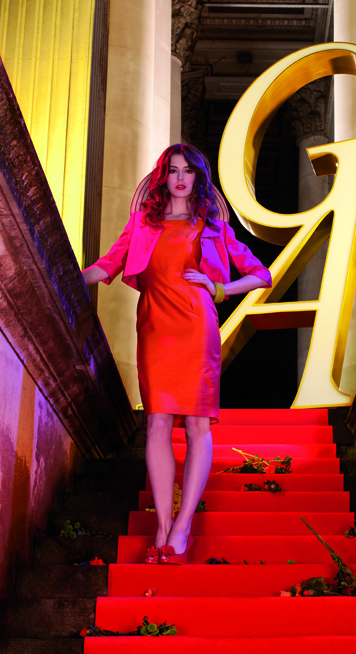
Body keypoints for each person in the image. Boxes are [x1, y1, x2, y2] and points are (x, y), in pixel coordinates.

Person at [82, 144, 271, 563]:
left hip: (196, 325)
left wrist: (219, 288)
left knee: (198, 424)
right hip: (155, 326)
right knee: (157, 423)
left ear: (198, 177)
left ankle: (183, 526)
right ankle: (162, 526)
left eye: (188, 171)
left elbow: (262, 274)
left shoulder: (212, 225)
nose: (181, 178)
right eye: (173, 170)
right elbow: (107, 266)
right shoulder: (141, 223)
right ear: (163, 177)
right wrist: (66, 276)